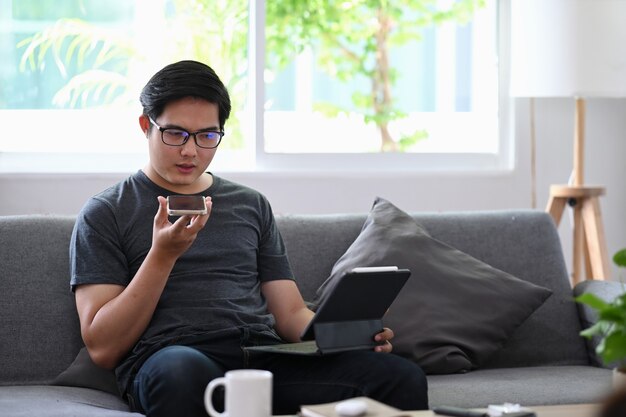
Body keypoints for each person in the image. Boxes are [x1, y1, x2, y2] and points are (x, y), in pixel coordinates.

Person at [70, 60, 428, 417]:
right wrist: (162, 256)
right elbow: (103, 347)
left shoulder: (250, 204)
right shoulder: (106, 212)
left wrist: (346, 336)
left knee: (399, 377)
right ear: (146, 126)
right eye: (175, 134)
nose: (190, 151)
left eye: (207, 136)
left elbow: (288, 314)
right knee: (182, 374)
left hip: (261, 358)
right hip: (173, 357)